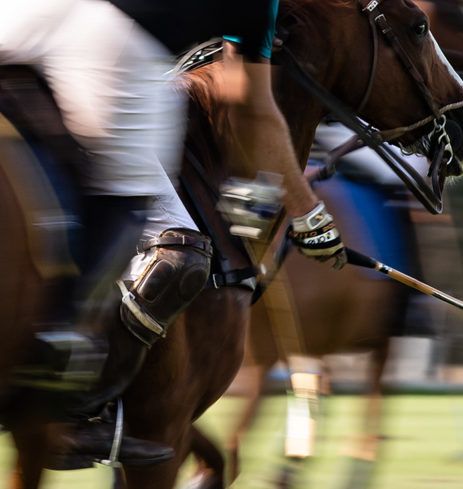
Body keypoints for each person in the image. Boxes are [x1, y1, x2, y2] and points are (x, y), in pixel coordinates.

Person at [0, 0, 347, 463]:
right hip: (111, 40)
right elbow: (251, 105)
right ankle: (67, 396)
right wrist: (308, 216)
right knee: (152, 228)